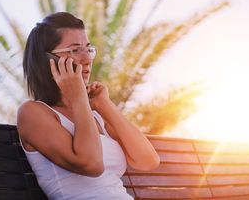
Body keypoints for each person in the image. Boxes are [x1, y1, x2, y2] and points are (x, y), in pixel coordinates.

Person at [17, 12, 160, 199]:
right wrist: (79, 99)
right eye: (75, 50)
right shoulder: (33, 113)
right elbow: (91, 164)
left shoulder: (96, 115)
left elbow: (148, 160)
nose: (87, 59)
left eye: (88, 49)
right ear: (48, 60)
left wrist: (105, 105)